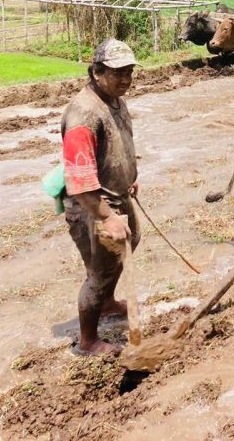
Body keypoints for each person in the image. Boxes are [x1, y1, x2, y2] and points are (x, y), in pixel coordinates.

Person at [61, 38, 140, 356]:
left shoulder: (115, 100)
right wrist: (106, 216)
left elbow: (118, 145)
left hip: (117, 197)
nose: (125, 80)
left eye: (130, 72)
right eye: (118, 73)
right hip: (93, 207)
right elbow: (79, 184)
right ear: (96, 72)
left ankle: (107, 303)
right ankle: (88, 341)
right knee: (100, 272)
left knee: (128, 246)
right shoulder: (83, 116)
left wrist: (130, 178)